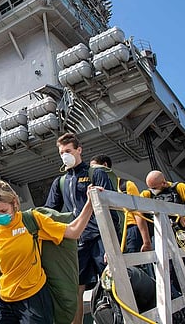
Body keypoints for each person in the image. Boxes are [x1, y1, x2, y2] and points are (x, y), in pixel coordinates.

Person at [0, 180, 98, 324]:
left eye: (3, 211)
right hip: (6, 300)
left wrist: (89, 204)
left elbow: (73, 231)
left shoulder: (31, 220)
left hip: (34, 296)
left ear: (14, 203)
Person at [44, 133, 119, 324]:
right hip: (77, 240)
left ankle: (120, 319)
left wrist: (113, 244)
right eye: (61, 153)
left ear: (79, 150)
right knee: (75, 287)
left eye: (68, 151)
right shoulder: (59, 182)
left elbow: (111, 210)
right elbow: (49, 211)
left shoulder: (97, 174)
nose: (65, 156)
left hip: (100, 237)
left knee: (112, 282)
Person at [141, 170, 185, 290]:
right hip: (161, 237)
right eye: (150, 187)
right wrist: (146, 241)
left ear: (163, 183)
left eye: (154, 187)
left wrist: (182, 213)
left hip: (182, 236)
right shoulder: (146, 194)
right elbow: (139, 215)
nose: (152, 190)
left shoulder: (179, 187)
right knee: (167, 271)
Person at [89, 154, 152, 253]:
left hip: (129, 229)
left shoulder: (126, 186)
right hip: (110, 230)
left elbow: (138, 214)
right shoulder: (94, 190)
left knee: (133, 265)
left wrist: (146, 241)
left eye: (94, 168)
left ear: (105, 165)